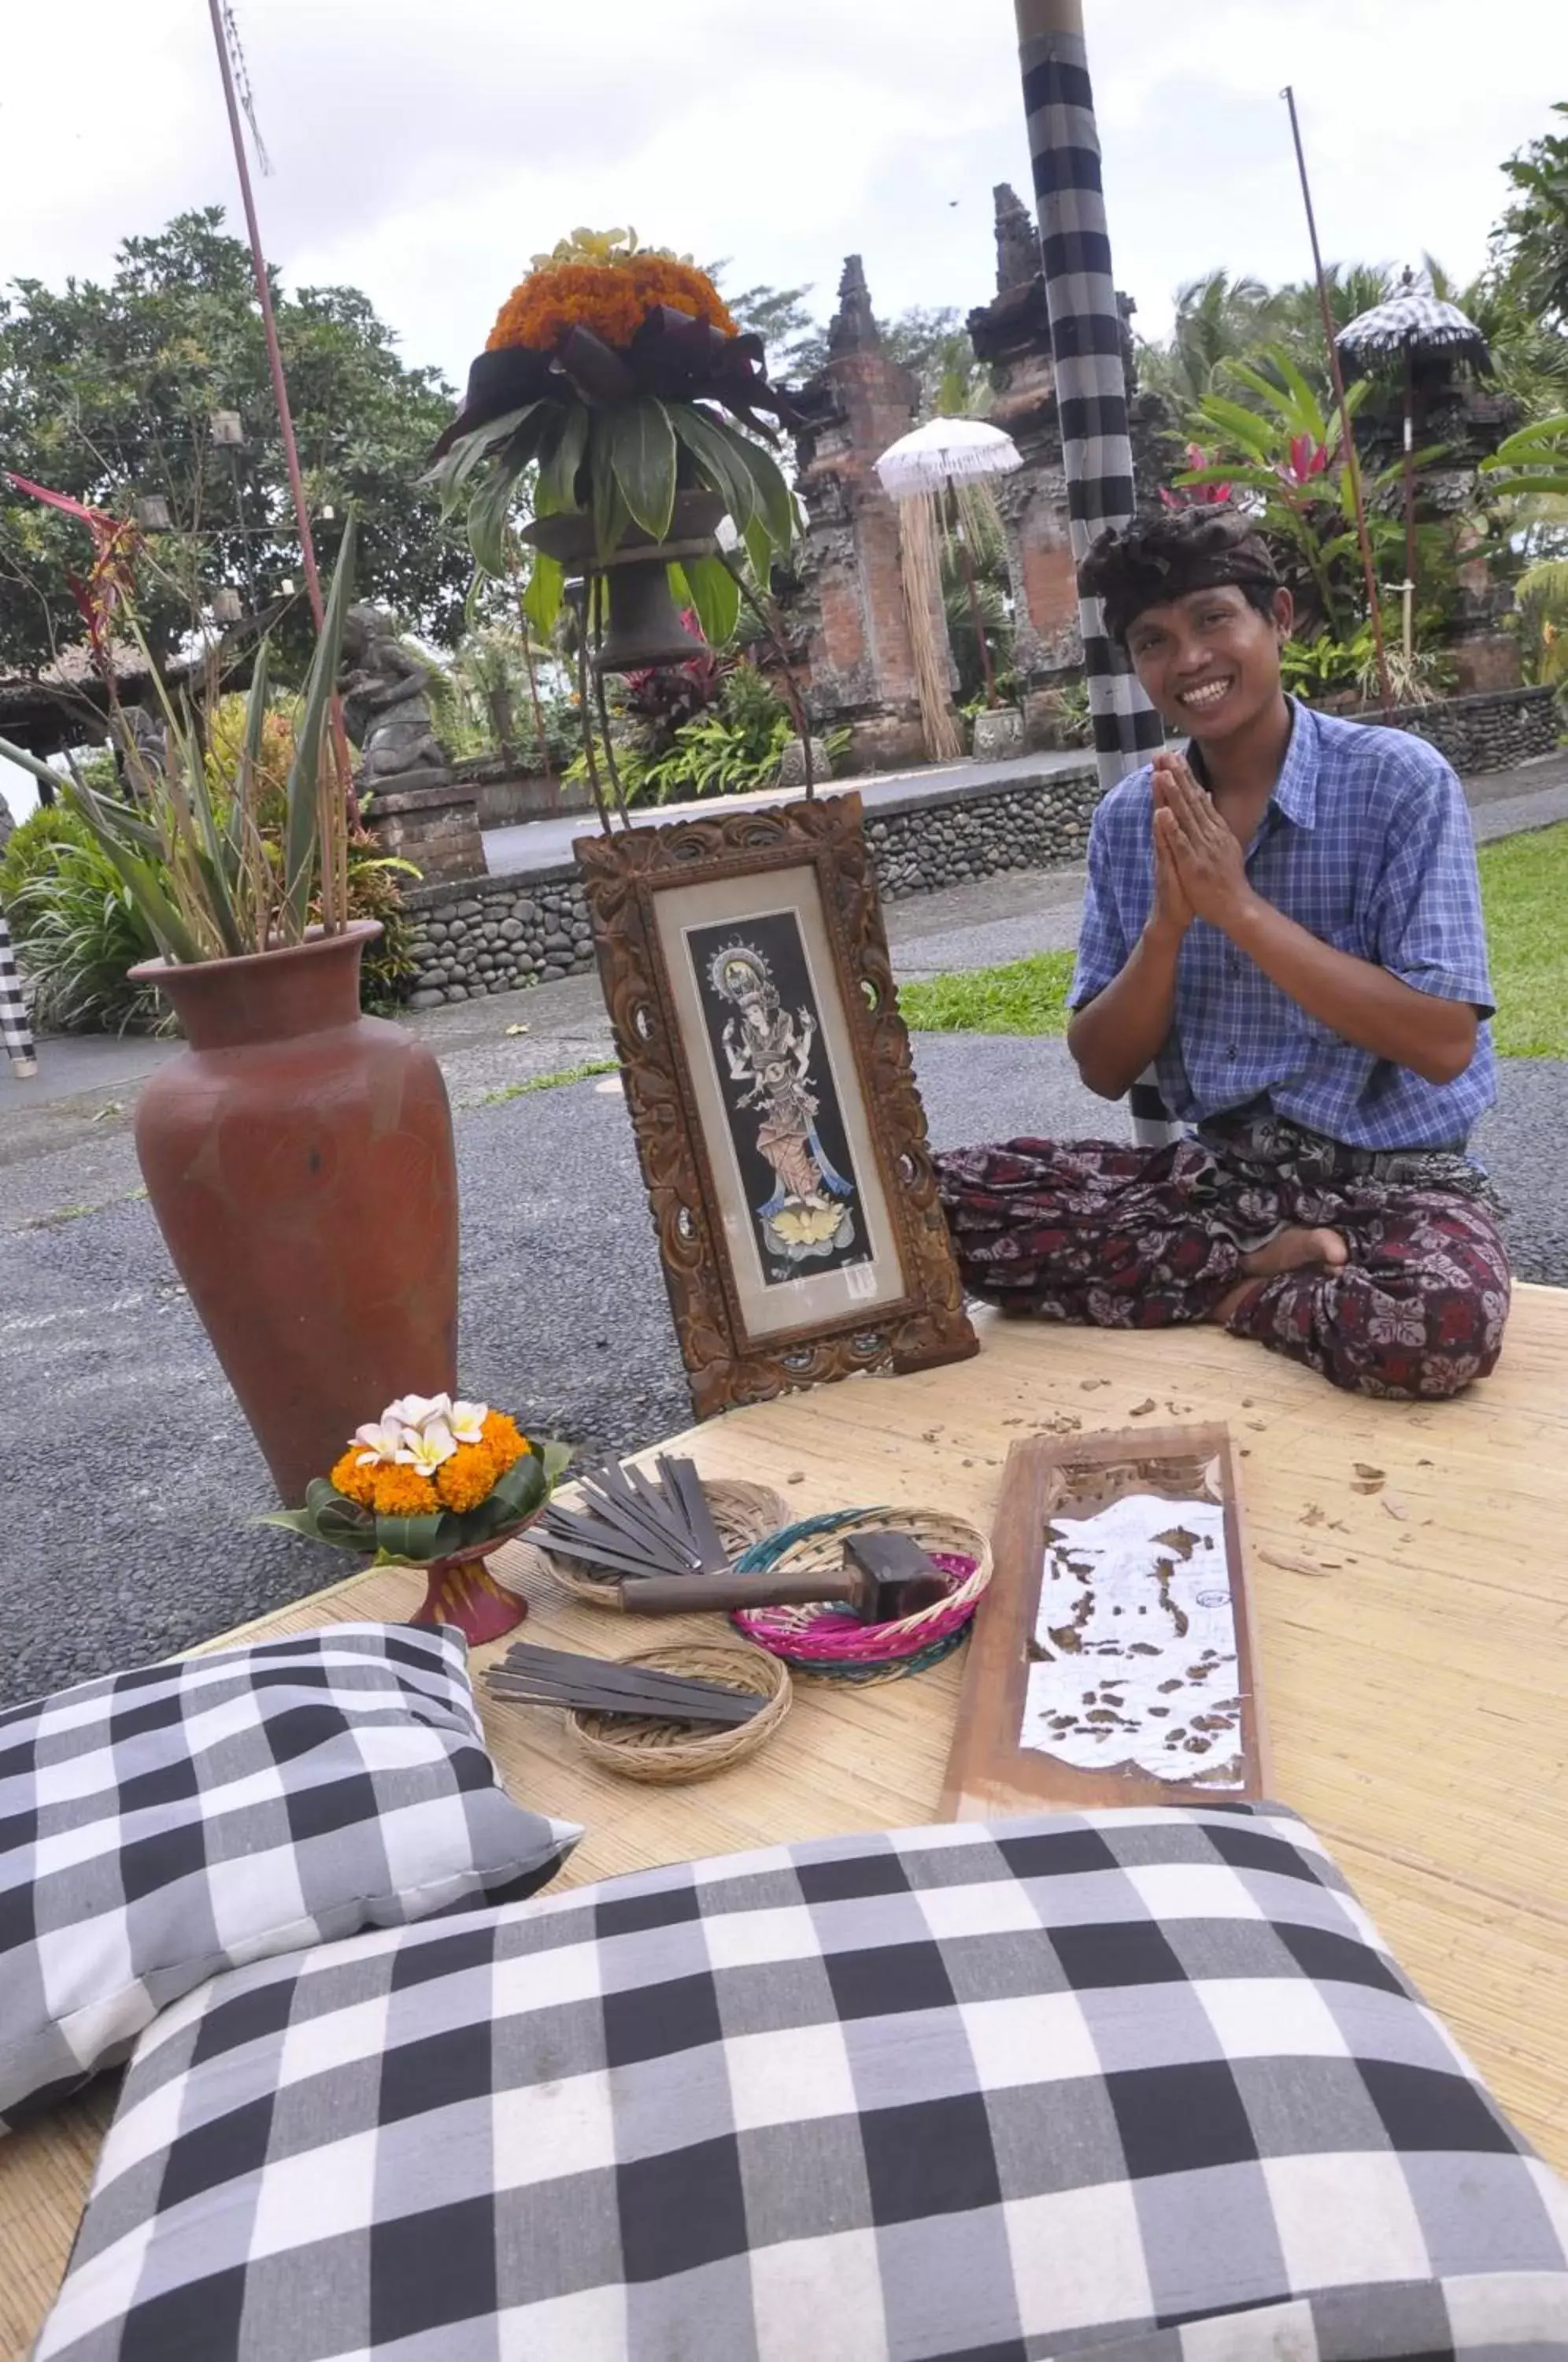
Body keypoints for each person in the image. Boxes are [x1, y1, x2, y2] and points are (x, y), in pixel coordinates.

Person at [934, 507, 1509, 1400]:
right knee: (934, 1203)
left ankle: (1227, 1291)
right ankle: (1258, 1271)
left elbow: (1442, 1045)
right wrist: (1169, 924)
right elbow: (1102, 1066)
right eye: (1154, 640)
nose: (1190, 660)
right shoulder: (1133, 819)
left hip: (1392, 1185)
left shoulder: (1398, 781)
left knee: (1440, 1324)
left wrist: (1237, 909)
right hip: (1222, 1181)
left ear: (1278, 617)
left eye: (1213, 619)